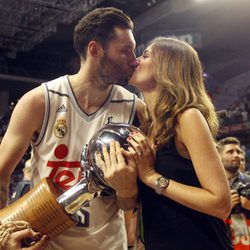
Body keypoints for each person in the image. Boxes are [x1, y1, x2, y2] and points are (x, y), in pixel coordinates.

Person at [0, 7, 144, 250]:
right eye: (125, 51)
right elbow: (2, 174)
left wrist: (127, 188)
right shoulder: (39, 101)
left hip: (108, 244)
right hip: (44, 243)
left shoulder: (136, 110)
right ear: (95, 49)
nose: (134, 60)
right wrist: (2, 235)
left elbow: (131, 203)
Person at [97, 37, 232, 249]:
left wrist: (152, 177)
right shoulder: (145, 128)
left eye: (146, 55)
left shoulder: (188, 117)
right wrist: (124, 186)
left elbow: (221, 203)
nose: (136, 60)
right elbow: (131, 205)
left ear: (169, 66)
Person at [217, 137, 250, 249]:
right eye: (230, 152)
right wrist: (225, 208)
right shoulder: (212, 185)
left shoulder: (248, 181)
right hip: (225, 241)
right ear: (219, 157)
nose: (237, 155)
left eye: (238, 151)